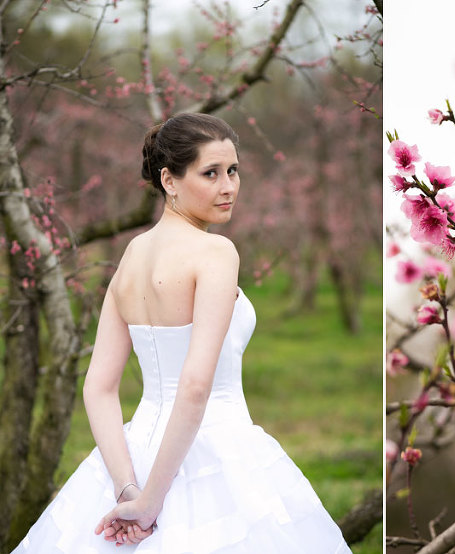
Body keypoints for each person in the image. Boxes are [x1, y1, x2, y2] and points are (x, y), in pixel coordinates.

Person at [12, 113, 352, 553]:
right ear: (169, 180)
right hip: (216, 449)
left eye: (233, 171)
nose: (228, 186)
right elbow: (194, 387)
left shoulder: (131, 256)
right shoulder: (215, 252)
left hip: (134, 454)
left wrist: (125, 488)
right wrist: (149, 502)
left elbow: (97, 387)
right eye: (210, 173)